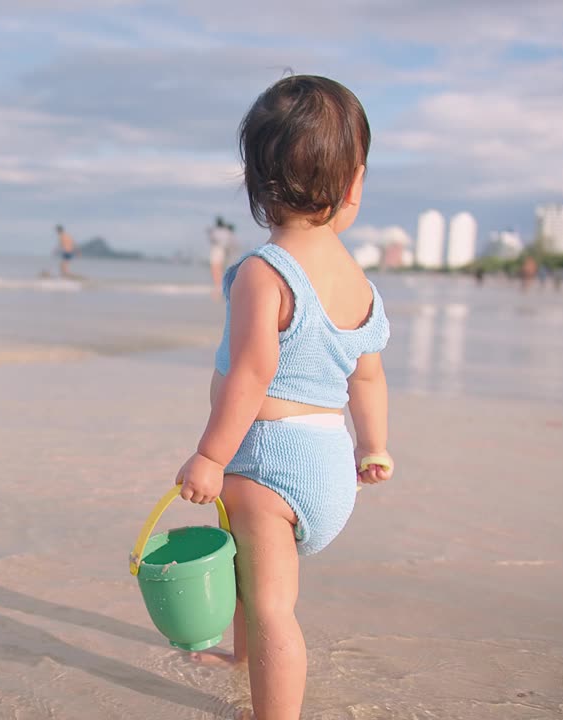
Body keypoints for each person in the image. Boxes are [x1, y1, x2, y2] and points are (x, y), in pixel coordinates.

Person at [173, 75, 393, 720]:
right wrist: (375, 447)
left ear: (255, 185)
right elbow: (368, 377)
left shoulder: (263, 273)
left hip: (269, 466)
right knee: (250, 577)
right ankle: (241, 661)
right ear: (354, 184)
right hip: (330, 465)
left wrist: (211, 457)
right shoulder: (358, 282)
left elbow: (249, 374)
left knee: (272, 609)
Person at [209, 217, 237, 299]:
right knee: (221, 270)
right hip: (225, 252)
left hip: (217, 250)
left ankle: (218, 289)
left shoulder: (216, 231)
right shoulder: (227, 232)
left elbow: (212, 240)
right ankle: (222, 288)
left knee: (215, 269)